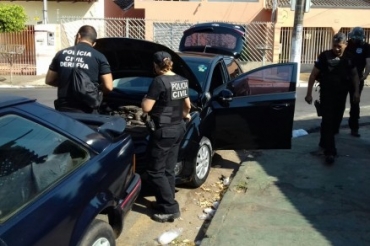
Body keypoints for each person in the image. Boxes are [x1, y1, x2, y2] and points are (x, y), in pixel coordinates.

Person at [141, 51, 191, 222]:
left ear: (155, 65)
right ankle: (165, 202)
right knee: (168, 169)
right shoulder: (181, 80)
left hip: (164, 131)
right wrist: (183, 117)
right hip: (178, 128)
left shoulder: (159, 81)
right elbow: (187, 106)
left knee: (155, 171)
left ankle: (170, 208)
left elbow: (147, 108)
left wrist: (143, 101)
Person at [305, 32, 360, 165]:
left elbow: (355, 76)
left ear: (345, 45)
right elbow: (313, 75)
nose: (336, 49)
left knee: (336, 122)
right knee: (328, 121)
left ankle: (324, 142)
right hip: (327, 94)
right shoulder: (324, 56)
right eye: (334, 46)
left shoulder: (349, 58)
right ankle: (330, 152)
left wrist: (356, 92)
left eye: (339, 46)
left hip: (341, 96)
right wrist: (309, 93)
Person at [45, 25, 113, 113]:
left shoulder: (61, 54)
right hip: (87, 110)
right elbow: (109, 86)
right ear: (94, 43)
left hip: (64, 109)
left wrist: (68, 84)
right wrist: (95, 90)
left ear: (78, 36)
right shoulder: (99, 57)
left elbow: (49, 80)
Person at [345, 27, 370, 137]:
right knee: (338, 102)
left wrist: (365, 75)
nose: (353, 39)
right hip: (344, 77)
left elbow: (368, 62)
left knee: (355, 103)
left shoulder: (366, 47)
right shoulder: (347, 45)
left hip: (357, 78)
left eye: (355, 38)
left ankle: (354, 128)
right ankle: (333, 127)